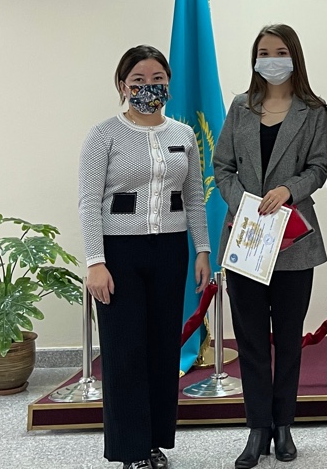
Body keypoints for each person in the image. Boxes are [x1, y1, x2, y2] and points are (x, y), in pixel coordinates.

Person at [79, 45, 211, 469]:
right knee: (125, 352)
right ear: (123, 86)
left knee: (161, 349)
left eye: (157, 80)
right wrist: (95, 261)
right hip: (119, 253)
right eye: (138, 80)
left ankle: (154, 442)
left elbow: (193, 197)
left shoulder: (183, 135)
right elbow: (89, 202)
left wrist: (202, 250)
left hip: (169, 251)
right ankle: (130, 449)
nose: (148, 87)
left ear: (168, 85)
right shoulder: (104, 135)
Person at [214, 24, 327, 469]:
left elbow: (318, 168)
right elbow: (222, 166)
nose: (272, 59)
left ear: (294, 56)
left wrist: (288, 190)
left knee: (288, 339)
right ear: (255, 59)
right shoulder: (240, 106)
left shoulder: (313, 110)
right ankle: (257, 427)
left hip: (292, 240)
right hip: (245, 237)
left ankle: (284, 426)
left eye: (280, 51)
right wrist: (241, 202)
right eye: (264, 52)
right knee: (250, 341)